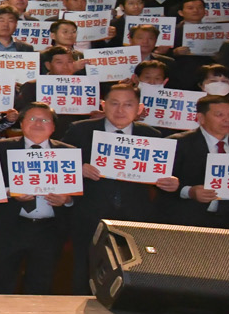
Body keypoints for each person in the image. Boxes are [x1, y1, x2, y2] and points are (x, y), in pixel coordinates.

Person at [60, 82, 180, 294]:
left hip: (135, 214)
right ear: (103, 105)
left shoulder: (153, 135)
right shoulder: (80, 130)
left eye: (128, 104)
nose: (120, 110)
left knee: (131, 271)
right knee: (83, 269)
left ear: (139, 109)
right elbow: (58, 165)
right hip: (88, 213)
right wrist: (77, 168)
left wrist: (171, 183)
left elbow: (166, 176)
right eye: (114, 103)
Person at [0, 102, 76, 295]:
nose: (38, 123)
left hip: (50, 230)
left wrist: (67, 200)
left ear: (53, 127)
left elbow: (78, 195)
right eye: (32, 118)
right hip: (10, 226)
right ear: (21, 123)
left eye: (44, 120)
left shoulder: (67, 153)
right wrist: (10, 192)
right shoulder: (2, 148)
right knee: (3, 283)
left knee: (41, 285)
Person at [166, 93, 229, 230]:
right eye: (219, 115)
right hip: (187, 220)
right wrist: (189, 191)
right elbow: (159, 183)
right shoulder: (178, 143)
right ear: (201, 118)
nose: (226, 120)